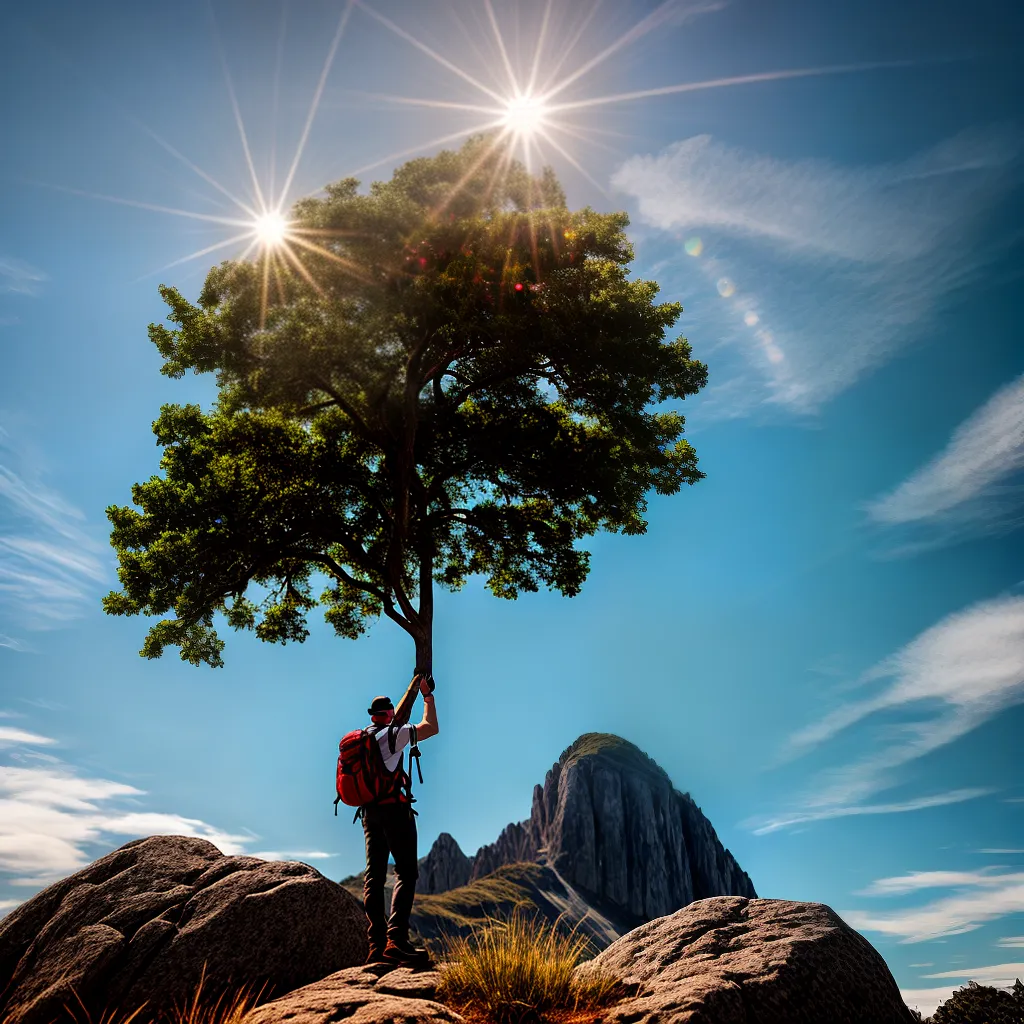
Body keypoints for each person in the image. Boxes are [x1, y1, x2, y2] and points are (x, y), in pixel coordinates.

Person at [361, 674, 438, 966]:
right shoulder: (396, 733)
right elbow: (431, 727)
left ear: (372, 715)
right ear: (390, 712)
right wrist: (427, 697)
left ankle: (376, 947)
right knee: (405, 873)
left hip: (369, 812)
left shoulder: (364, 737)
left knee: (374, 877)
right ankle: (397, 941)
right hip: (394, 811)